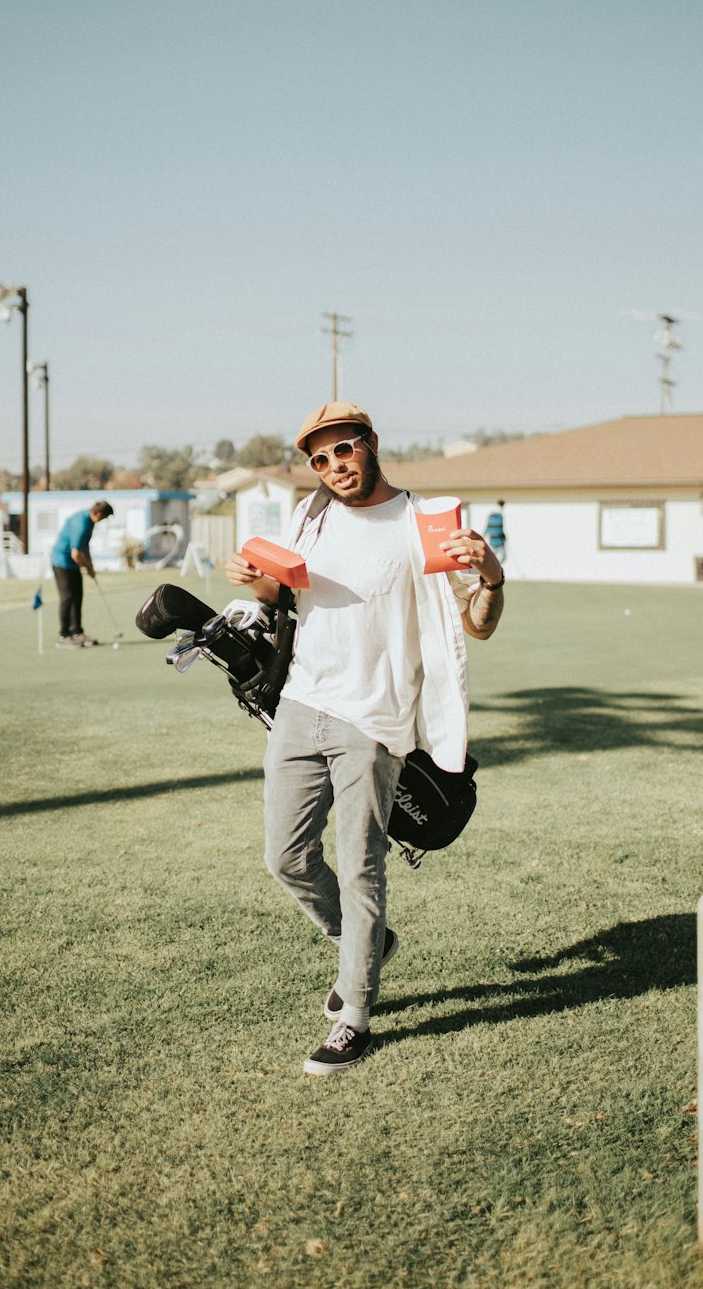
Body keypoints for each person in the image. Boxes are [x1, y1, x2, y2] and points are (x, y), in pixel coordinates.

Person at [226, 401, 505, 1077]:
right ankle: (369, 943)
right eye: (318, 459)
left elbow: (479, 622)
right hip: (299, 703)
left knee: (359, 865)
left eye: (342, 451)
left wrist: (492, 576)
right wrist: (258, 584)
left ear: (371, 444)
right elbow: (285, 594)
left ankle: (355, 1016)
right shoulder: (311, 514)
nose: (332, 467)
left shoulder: (423, 523)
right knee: (285, 857)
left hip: (374, 719)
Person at [50, 501, 113, 648]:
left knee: (78, 595)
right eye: (104, 517)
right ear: (98, 514)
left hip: (72, 564)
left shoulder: (90, 522)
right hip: (61, 562)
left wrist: (90, 566)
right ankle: (64, 635)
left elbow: (84, 547)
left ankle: (77, 632)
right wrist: (87, 568)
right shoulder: (82, 523)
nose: (103, 521)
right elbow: (76, 554)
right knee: (67, 597)